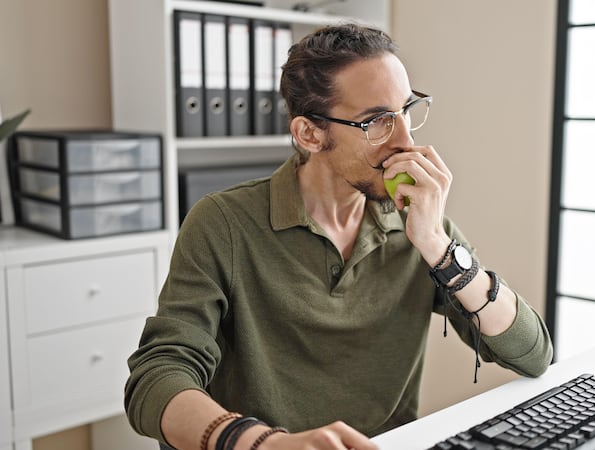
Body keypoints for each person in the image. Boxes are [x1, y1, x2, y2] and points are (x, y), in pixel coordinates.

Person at [125, 23, 553, 450]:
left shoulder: (418, 223)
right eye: (377, 122)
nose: (406, 140)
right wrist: (264, 444)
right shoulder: (223, 223)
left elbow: (533, 354)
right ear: (309, 134)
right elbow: (157, 375)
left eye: (406, 111)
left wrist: (438, 247)